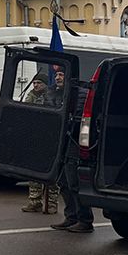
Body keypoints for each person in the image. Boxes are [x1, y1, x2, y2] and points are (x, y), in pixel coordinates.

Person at [52, 83, 94, 234]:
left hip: (75, 142)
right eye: (56, 75)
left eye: (62, 75)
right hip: (64, 143)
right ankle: (71, 217)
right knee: (63, 181)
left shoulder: (80, 94)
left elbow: (81, 120)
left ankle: (85, 220)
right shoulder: (60, 94)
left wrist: (69, 125)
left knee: (74, 182)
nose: (57, 78)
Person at [21, 71, 59, 214]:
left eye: (39, 83)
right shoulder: (30, 96)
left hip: (49, 139)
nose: (36, 85)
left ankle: (52, 203)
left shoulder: (51, 97)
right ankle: (34, 201)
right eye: (34, 83)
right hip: (34, 139)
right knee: (33, 173)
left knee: (50, 174)